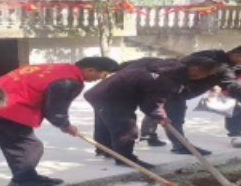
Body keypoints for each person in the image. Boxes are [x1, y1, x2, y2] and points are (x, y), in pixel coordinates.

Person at [0, 57, 120, 186]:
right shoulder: (67, 81)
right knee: (28, 147)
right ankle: (22, 181)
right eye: (104, 74)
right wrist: (65, 125)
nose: (102, 78)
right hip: (3, 107)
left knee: (20, 145)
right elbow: (55, 109)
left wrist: (63, 123)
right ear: (90, 70)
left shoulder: (62, 69)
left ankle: (29, 177)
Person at [85, 57, 220, 169]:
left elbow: (127, 65)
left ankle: (105, 151)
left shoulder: (164, 63)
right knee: (125, 128)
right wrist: (161, 116)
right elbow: (150, 105)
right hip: (114, 97)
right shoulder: (170, 81)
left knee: (105, 122)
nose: (204, 78)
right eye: (206, 75)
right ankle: (125, 159)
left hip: (103, 91)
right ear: (195, 70)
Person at [135, 44, 241, 155]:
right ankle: (180, 146)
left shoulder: (217, 57)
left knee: (158, 108)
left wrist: (213, 84)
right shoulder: (217, 62)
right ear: (237, 56)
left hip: (177, 89)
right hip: (176, 89)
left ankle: (148, 135)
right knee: (175, 116)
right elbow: (235, 84)